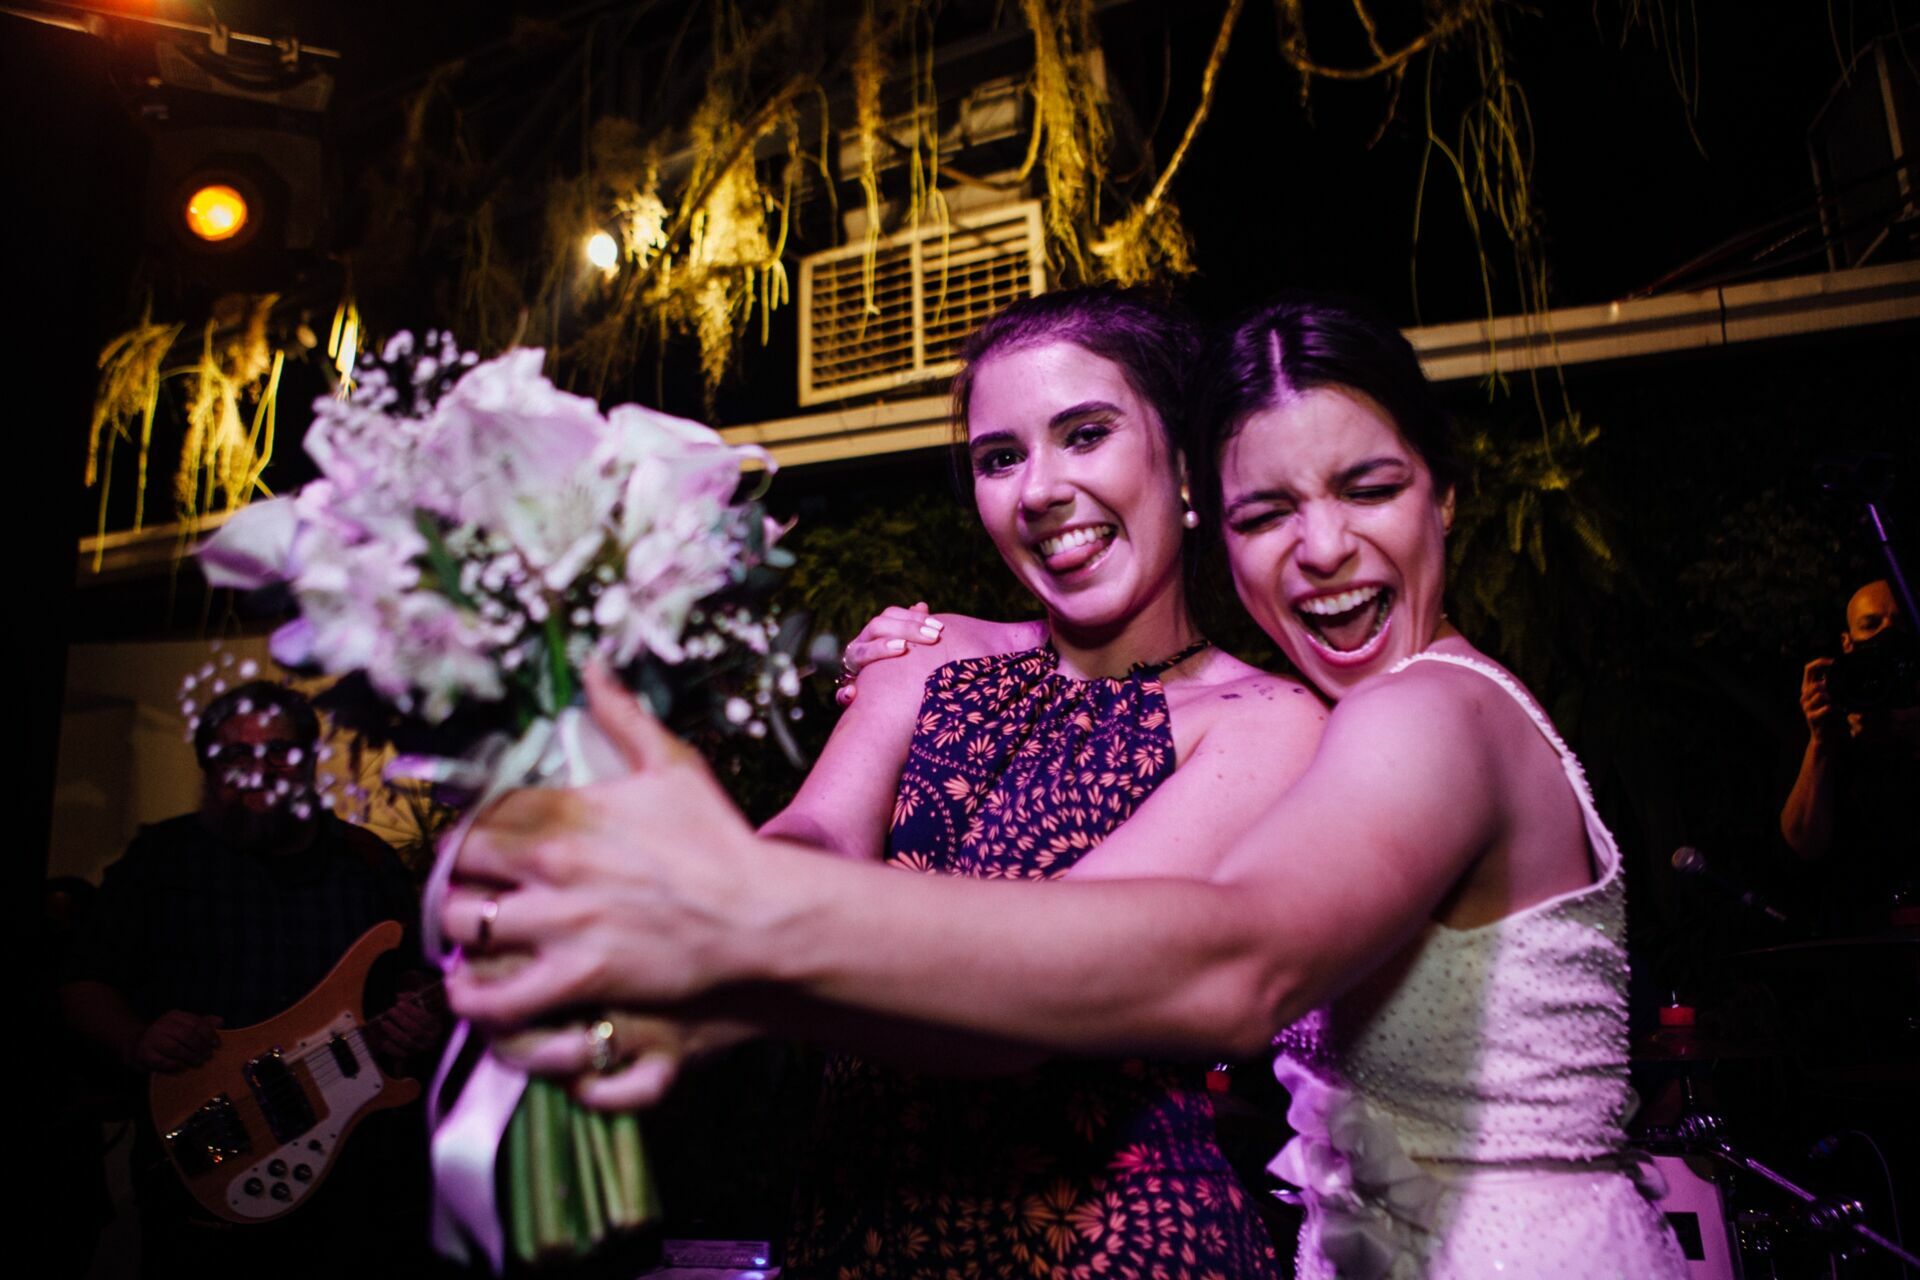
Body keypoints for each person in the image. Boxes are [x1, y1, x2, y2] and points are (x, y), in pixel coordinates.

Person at [443, 294, 1688, 1278]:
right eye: (1271, 510)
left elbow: (1217, 962)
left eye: (1369, 488)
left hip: (1160, 1233)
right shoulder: (938, 658)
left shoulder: (1368, 718)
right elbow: (817, 829)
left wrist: (727, 933)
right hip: (911, 1209)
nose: (1319, 549)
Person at [62, 680, 446, 1279]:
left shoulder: (365, 863)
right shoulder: (161, 860)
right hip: (206, 1159)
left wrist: (417, 1019)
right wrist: (137, 1039)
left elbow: (412, 981)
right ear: (208, 767)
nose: (258, 769)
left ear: (308, 762)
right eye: (236, 754)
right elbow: (83, 982)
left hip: (350, 1182)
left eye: (278, 752)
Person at [1778, 578, 1919, 929]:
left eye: (1899, 623)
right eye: (1871, 624)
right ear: (1847, 642)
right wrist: (1820, 741)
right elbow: (1803, 844)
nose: (1887, 634)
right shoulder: (1831, 713)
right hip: (1860, 927)